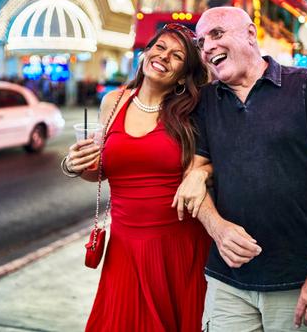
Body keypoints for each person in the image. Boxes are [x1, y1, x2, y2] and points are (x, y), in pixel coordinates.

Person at [175, 7, 307, 331]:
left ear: (250, 33)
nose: (207, 48)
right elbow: (194, 177)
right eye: (202, 42)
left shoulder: (306, 86)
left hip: (299, 280)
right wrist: (217, 227)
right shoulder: (205, 101)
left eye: (217, 34)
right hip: (228, 280)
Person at [62, 23, 210, 331]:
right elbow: (101, 171)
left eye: (177, 55)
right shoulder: (112, 102)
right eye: (159, 47)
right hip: (124, 246)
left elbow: (214, 161)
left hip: (178, 245)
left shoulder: (192, 111)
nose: (164, 57)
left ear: (184, 75)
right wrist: (74, 165)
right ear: (146, 53)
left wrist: (203, 172)